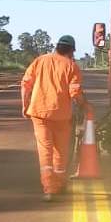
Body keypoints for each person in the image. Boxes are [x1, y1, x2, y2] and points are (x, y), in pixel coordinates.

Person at [21, 35, 88, 201]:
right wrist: (84, 106)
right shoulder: (72, 66)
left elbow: (25, 84)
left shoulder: (40, 60)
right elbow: (75, 92)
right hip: (61, 115)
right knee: (61, 151)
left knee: (45, 150)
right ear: (71, 51)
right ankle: (59, 185)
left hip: (39, 112)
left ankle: (49, 189)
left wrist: (24, 105)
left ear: (57, 47)